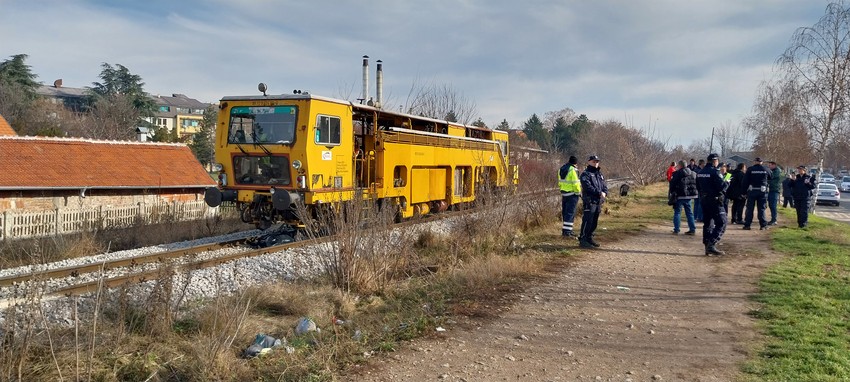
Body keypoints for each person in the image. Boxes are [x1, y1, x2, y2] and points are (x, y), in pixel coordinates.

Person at [696, 153, 728, 255]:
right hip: (715, 200)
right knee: (722, 222)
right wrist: (727, 179)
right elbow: (722, 187)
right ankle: (712, 243)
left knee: (708, 223)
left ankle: (707, 245)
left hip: (704, 200)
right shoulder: (715, 172)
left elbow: (698, 187)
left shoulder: (700, 172)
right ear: (715, 161)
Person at [579, 155, 608, 248]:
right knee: (588, 220)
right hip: (590, 200)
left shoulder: (599, 174)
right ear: (589, 162)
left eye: (597, 162)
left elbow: (604, 185)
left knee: (594, 221)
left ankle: (589, 237)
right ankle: (583, 239)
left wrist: (605, 192)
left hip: (598, 201)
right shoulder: (585, 174)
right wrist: (599, 192)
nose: (595, 163)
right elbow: (587, 186)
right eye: (593, 161)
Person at [668, 160, 697, 235]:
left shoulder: (677, 174)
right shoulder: (693, 173)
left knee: (677, 212)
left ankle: (676, 230)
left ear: (680, 165)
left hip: (679, 195)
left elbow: (672, 184)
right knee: (689, 213)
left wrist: (672, 193)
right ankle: (692, 229)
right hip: (689, 196)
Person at [743, 157, 772, 230]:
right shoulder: (766, 169)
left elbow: (745, 181)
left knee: (749, 209)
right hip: (762, 192)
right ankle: (763, 225)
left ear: (754, 162)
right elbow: (771, 177)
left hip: (752, 191)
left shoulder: (750, 169)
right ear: (761, 162)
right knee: (761, 209)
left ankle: (747, 225)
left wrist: (744, 192)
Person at [558, 155, 582, 238]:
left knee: (565, 212)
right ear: (575, 163)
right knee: (570, 213)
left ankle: (565, 230)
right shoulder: (573, 170)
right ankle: (568, 232)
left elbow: (560, 181)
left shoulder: (561, 169)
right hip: (572, 194)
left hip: (564, 193)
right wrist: (578, 192)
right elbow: (576, 183)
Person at [767, 161, 782, 225]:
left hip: (774, 189)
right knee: (771, 205)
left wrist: (766, 180)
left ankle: (774, 220)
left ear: (774, 165)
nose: (769, 167)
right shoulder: (774, 171)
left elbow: (771, 177)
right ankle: (773, 219)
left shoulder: (777, 171)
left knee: (773, 205)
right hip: (771, 189)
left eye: (770, 165)